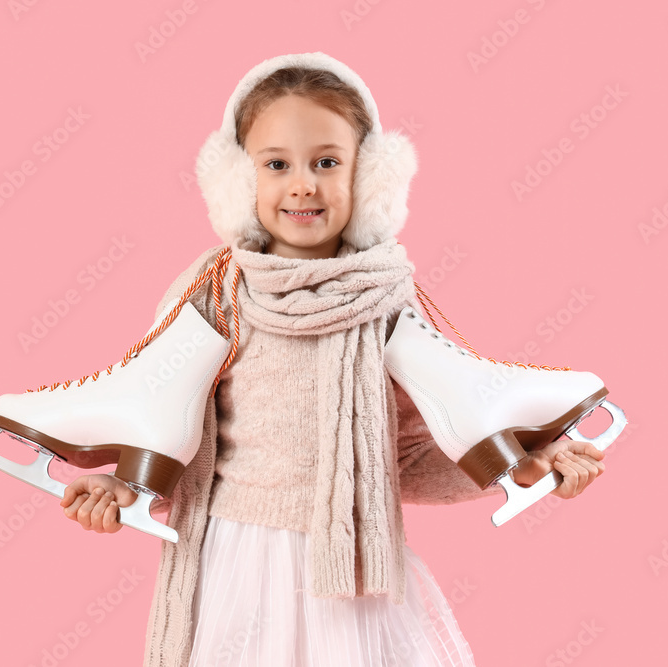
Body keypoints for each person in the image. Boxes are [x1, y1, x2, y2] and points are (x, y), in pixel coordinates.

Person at [58, 52, 606, 666]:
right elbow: (172, 427)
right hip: (236, 569)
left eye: (327, 162)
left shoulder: (389, 303)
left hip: (353, 572)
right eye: (276, 164)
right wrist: (123, 487)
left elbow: (407, 455)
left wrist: (522, 466)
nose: (303, 184)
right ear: (239, 181)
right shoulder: (211, 296)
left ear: (369, 178)